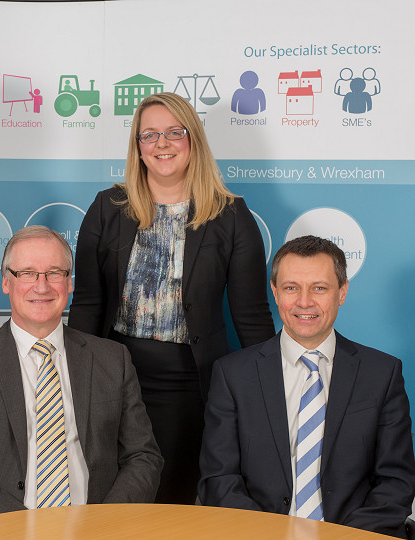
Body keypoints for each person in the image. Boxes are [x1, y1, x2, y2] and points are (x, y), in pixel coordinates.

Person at [68, 91, 275, 504]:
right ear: (138, 147)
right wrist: (72, 381)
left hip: (190, 385)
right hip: (115, 379)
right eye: (149, 135)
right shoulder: (108, 207)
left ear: (192, 139)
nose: (161, 144)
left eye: (173, 133)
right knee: (113, 499)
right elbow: (88, 304)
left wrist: (271, 393)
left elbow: (250, 317)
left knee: (174, 503)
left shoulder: (230, 215)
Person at [0, 226, 163, 523]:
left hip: (96, 529)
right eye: (27, 273)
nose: (42, 286)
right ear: (6, 282)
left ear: (69, 282)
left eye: (54, 273)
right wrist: (22, 528)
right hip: (1, 530)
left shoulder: (113, 359)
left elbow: (143, 457)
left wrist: (105, 523)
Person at [198, 235, 415, 537]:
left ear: (342, 292)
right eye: (291, 288)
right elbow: (218, 479)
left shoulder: (382, 373)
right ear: (275, 292)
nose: (304, 302)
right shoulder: (233, 374)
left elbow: (396, 482)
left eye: (319, 288)